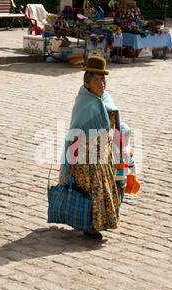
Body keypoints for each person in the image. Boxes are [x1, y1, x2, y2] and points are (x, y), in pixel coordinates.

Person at [60, 56, 121, 240]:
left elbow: (114, 123)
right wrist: (70, 161)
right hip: (87, 161)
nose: (101, 83)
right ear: (86, 83)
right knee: (90, 193)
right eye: (96, 79)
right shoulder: (85, 104)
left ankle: (96, 223)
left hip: (104, 156)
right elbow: (75, 133)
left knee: (102, 191)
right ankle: (90, 226)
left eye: (103, 79)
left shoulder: (105, 99)